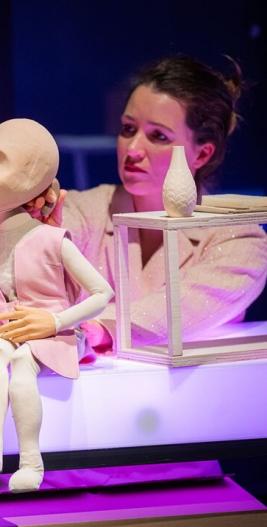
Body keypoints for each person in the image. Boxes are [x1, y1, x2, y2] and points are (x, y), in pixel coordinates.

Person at [35, 54, 267, 354]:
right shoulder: (82, 209)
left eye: (158, 136)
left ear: (202, 154)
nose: (132, 149)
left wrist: (98, 328)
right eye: (128, 129)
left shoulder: (241, 238)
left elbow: (181, 307)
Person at [0, 118, 112, 492]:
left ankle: (31, 461)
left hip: (57, 334)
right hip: (14, 331)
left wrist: (55, 321)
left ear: (29, 178)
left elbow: (102, 292)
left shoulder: (51, 238)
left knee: (21, 361)